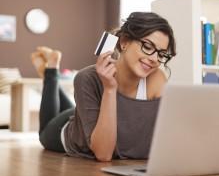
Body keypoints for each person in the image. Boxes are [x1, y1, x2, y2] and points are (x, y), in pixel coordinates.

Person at [31, 12, 176, 162]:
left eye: (161, 54)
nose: (154, 59)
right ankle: (51, 70)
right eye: (147, 46)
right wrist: (109, 89)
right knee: (43, 133)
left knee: (79, 111)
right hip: (67, 131)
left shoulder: (157, 78)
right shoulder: (87, 78)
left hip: (85, 114)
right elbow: (104, 154)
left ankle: (50, 72)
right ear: (124, 41)